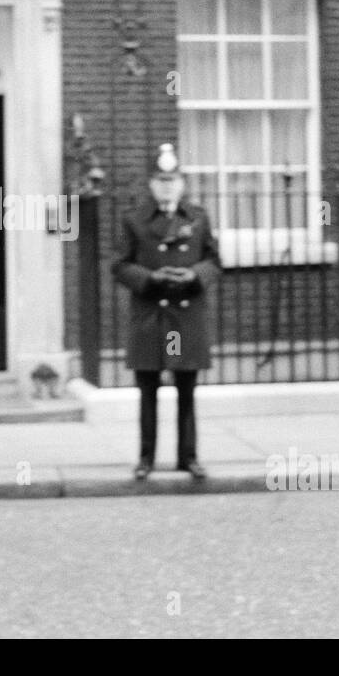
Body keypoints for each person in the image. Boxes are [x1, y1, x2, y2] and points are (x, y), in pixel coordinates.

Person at [113, 143, 220, 481]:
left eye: (172, 179)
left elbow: (214, 261)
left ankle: (188, 457)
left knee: (186, 390)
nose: (167, 185)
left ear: (182, 183)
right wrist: (150, 278)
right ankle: (146, 457)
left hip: (184, 320)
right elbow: (119, 264)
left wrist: (194, 275)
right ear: (151, 184)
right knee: (148, 392)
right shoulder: (134, 220)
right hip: (151, 317)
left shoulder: (198, 217)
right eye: (160, 179)